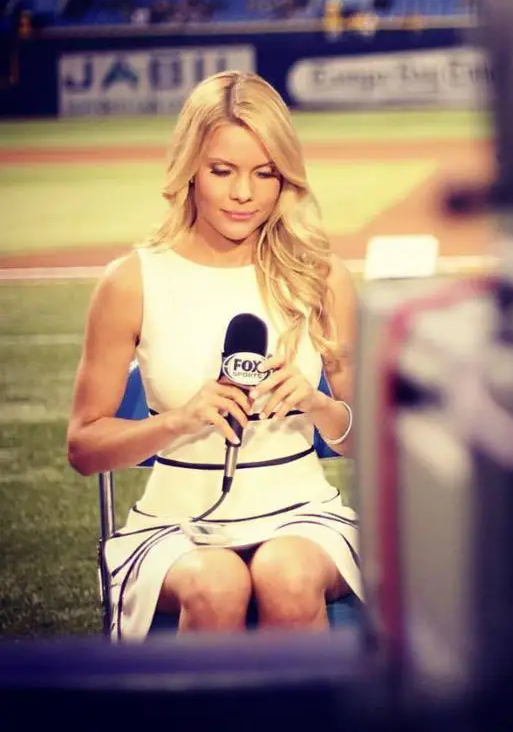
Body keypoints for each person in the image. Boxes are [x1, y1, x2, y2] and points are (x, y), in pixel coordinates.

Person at [66, 70, 361, 641]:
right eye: (222, 171)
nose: (243, 193)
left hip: (303, 515)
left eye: (264, 173)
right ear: (190, 169)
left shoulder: (321, 277)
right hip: (175, 524)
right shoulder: (131, 281)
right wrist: (179, 420)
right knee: (218, 582)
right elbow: (83, 448)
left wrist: (317, 404)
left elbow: (362, 441)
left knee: (287, 574)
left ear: (285, 177)